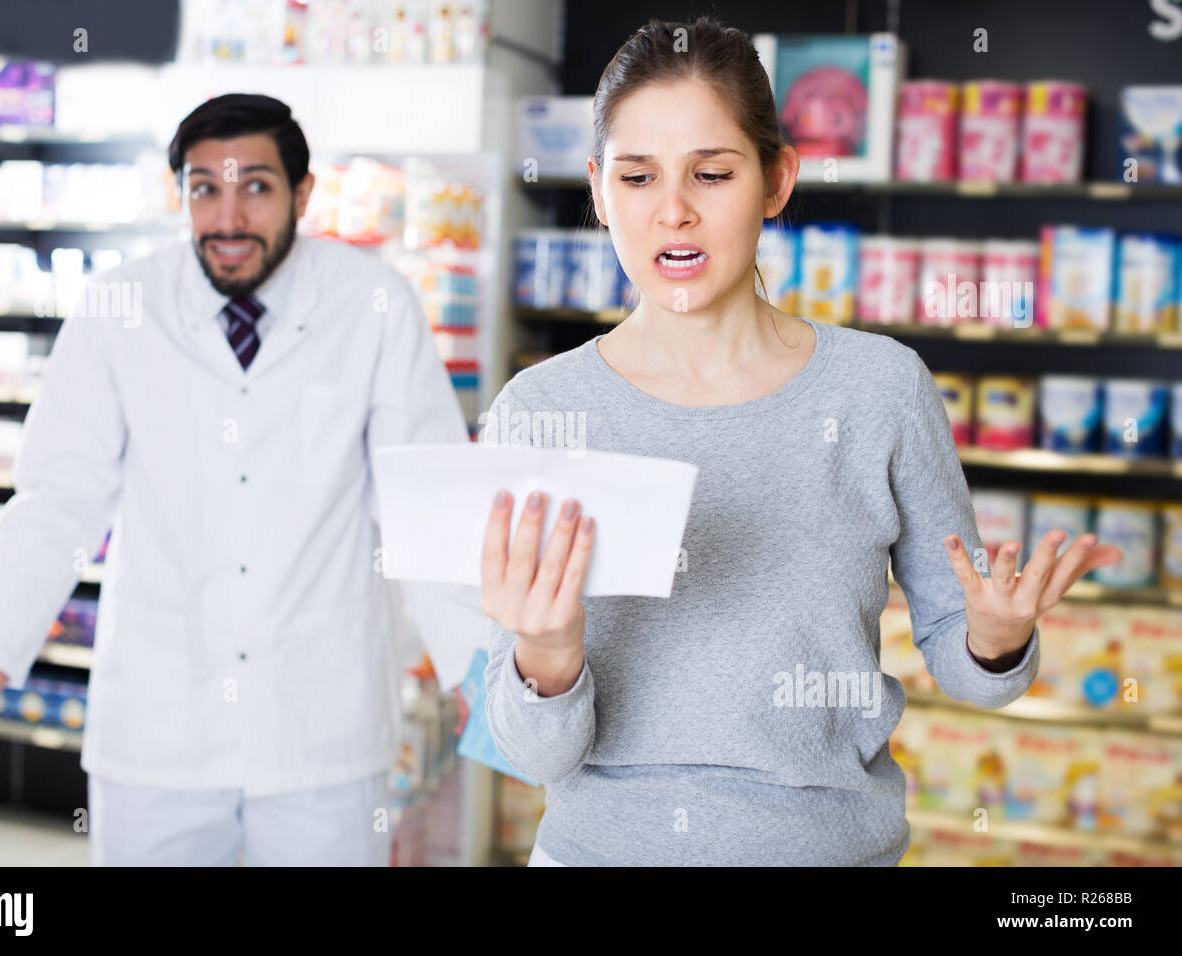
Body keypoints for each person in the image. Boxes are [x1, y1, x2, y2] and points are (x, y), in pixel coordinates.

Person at [477, 17, 1123, 867]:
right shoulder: (537, 411)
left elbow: (965, 662)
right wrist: (547, 655)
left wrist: (995, 637)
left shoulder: (880, 389)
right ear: (598, 190)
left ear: (777, 180)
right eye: (637, 177)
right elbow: (532, 753)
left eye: (713, 173)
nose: (674, 210)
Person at [0, 93, 482, 865]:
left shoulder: (374, 304)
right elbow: (59, 500)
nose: (229, 218)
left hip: (321, 731)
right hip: (159, 730)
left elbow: (424, 503)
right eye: (206, 189)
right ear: (181, 195)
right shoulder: (118, 307)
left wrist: (477, 661)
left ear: (303, 193)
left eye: (257, 187)